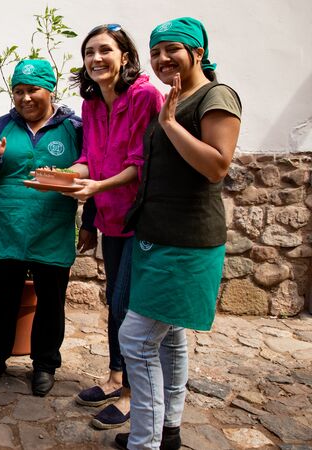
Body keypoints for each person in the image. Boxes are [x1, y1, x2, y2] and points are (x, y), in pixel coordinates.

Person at [115, 17, 241, 450]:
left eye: (172, 49)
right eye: (156, 51)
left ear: (197, 53)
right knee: (168, 337)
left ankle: (144, 442)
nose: (163, 59)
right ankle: (167, 431)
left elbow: (216, 166)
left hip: (186, 241)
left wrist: (169, 125)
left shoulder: (215, 96)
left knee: (136, 337)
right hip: (159, 235)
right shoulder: (176, 97)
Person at [64, 24, 163, 430]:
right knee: (114, 303)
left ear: (125, 55)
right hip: (110, 217)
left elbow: (143, 163)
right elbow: (90, 158)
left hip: (143, 218)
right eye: (89, 52)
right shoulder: (90, 103)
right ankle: (114, 377)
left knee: (126, 305)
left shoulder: (144, 95)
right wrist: (64, 175)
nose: (96, 59)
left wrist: (97, 185)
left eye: (105, 50)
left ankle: (130, 397)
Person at [0, 59, 84, 396]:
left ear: (49, 89)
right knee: (3, 298)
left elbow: (91, 168)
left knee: (51, 300)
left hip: (53, 227)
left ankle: (45, 364)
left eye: (32, 90)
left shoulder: (74, 129)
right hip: (9, 225)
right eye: (18, 91)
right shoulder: (3, 125)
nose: (25, 98)